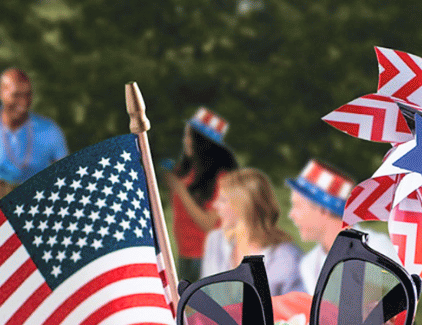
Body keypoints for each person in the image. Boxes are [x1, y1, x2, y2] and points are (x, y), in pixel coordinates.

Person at [0, 68, 67, 209]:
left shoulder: (50, 130)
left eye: (28, 95)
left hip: (41, 215)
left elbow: (67, 178)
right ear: (1, 93)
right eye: (16, 95)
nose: (23, 102)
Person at [286, 159, 397, 294]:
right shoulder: (308, 265)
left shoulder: (377, 248)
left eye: (297, 206)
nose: (291, 215)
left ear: (323, 210)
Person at [201, 168, 304, 296]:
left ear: (243, 206)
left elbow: (298, 310)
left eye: (223, 200)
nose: (215, 205)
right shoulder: (215, 241)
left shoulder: (287, 257)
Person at [165, 107, 238, 282]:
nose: (186, 141)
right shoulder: (186, 171)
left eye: (190, 137)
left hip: (207, 257)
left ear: (203, 142)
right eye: (185, 136)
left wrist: (180, 190)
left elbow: (208, 224)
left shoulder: (221, 178)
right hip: (186, 255)